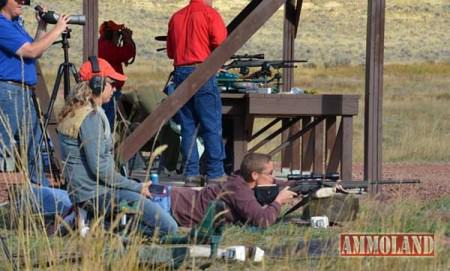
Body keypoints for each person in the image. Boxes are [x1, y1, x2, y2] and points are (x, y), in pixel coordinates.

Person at [57, 57, 177, 237]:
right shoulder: (91, 118)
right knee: (169, 228)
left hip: (86, 195)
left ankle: (90, 221)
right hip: (98, 194)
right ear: (97, 84)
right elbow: (101, 170)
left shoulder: (75, 111)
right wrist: (137, 187)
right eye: (111, 83)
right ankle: (101, 229)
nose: (115, 88)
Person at [0, 0, 72, 217]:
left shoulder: (14, 24)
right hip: (10, 91)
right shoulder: (1, 25)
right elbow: (30, 51)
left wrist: (42, 27)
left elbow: (36, 50)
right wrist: (58, 29)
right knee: (4, 145)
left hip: (23, 91)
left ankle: (44, 203)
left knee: (34, 147)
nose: (23, 2)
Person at [166, 0, 227, 186]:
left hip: (180, 73)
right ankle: (215, 174)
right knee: (211, 124)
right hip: (202, 70)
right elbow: (222, 42)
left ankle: (191, 173)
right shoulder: (210, 13)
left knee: (188, 126)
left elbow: (170, 52)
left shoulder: (176, 16)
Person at [154, 153, 298, 228]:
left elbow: (277, 182)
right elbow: (263, 220)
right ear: (254, 175)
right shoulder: (240, 189)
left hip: (169, 199)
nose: (273, 177)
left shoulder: (243, 179)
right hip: (165, 202)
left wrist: (303, 184)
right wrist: (278, 201)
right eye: (270, 173)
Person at [98, 20, 136, 130]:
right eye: (117, 33)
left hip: (106, 90)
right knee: (109, 122)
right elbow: (128, 53)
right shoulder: (108, 47)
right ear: (110, 34)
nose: (118, 35)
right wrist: (128, 39)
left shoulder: (101, 44)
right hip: (109, 91)